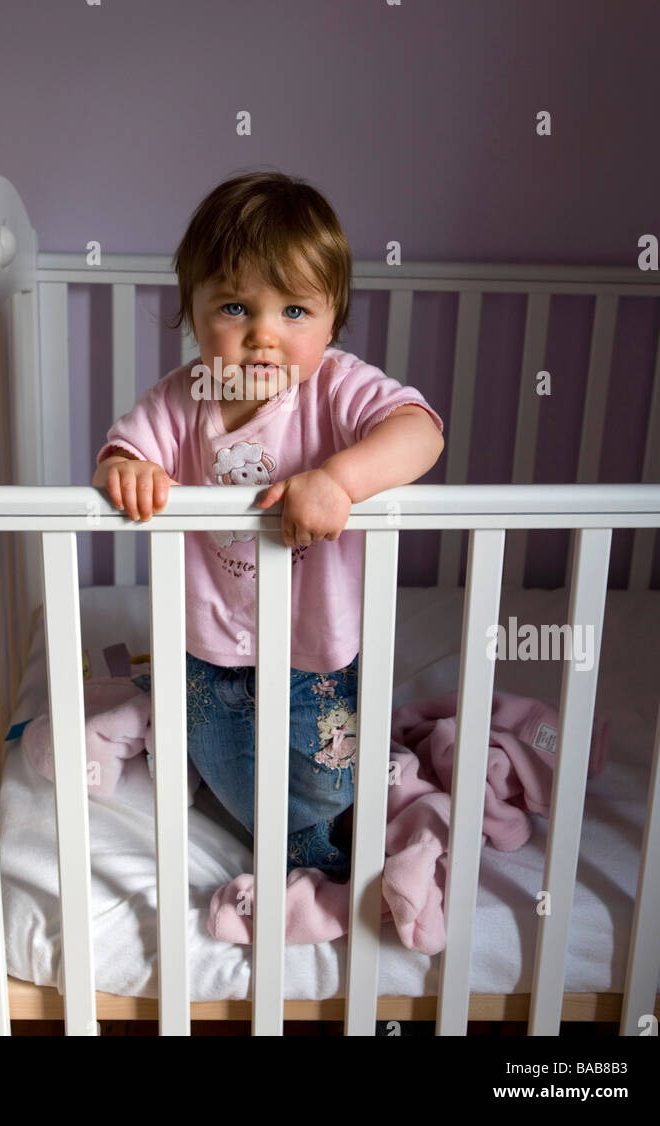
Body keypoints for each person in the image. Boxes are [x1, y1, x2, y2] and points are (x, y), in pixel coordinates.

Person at [92, 171, 444, 879]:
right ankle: (285, 836)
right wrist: (126, 471)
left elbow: (420, 433)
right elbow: (120, 454)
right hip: (207, 641)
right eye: (233, 307)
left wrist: (340, 479)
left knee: (327, 773)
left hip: (315, 644)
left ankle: (310, 830)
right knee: (220, 756)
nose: (263, 336)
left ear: (334, 319)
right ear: (191, 313)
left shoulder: (338, 388)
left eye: (293, 312)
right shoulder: (181, 398)